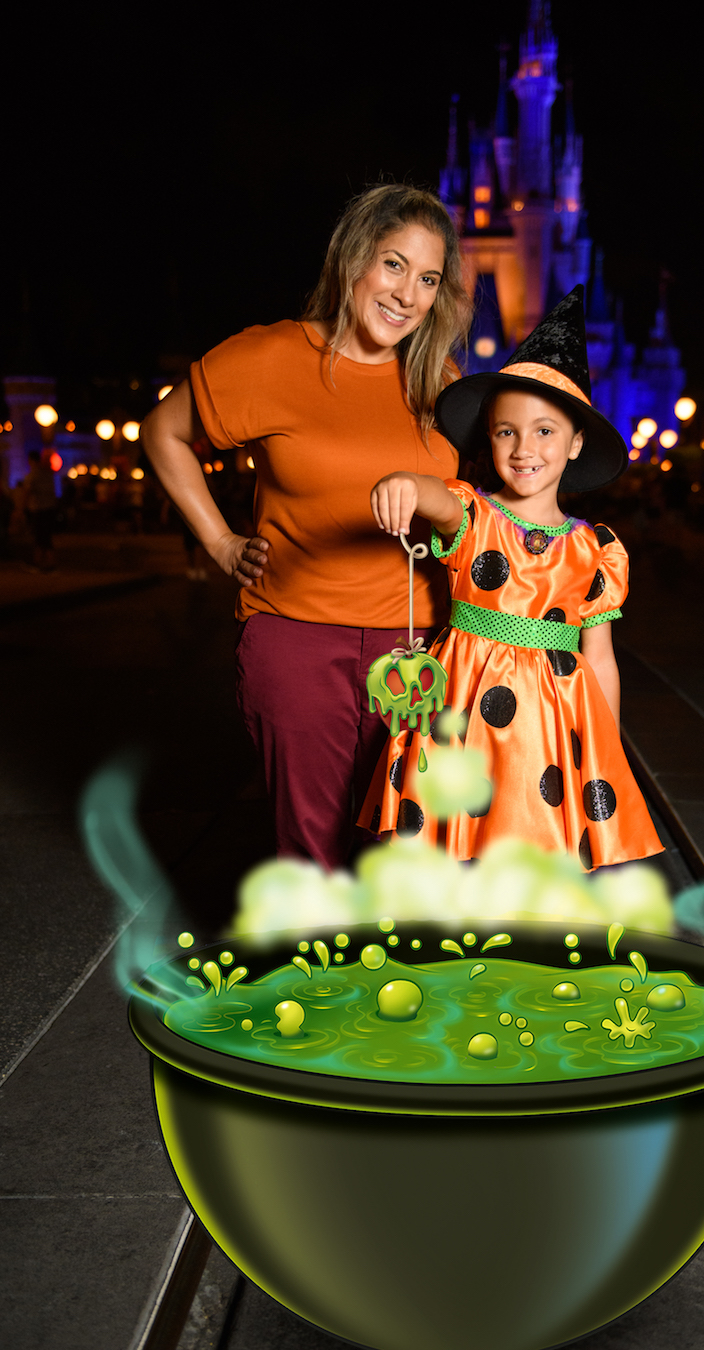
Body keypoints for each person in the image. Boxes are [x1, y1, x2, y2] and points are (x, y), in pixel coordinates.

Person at [141, 184, 472, 867]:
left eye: (428, 278)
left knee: (402, 855)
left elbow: (468, 510)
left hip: (418, 651)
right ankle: (318, 976)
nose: (408, 294)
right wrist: (219, 540)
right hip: (296, 642)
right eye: (393, 265)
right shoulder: (268, 358)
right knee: (312, 853)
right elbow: (163, 433)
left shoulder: (440, 380)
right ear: (353, 259)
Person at [360, 288, 663, 871]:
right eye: (506, 432)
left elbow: (599, 659)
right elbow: (438, 498)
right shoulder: (474, 515)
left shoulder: (595, 549)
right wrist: (406, 481)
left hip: (547, 733)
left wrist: (606, 747)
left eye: (545, 431)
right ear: (488, 439)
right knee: (447, 856)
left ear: (576, 444)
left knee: (530, 857)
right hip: (462, 712)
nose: (525, 449)